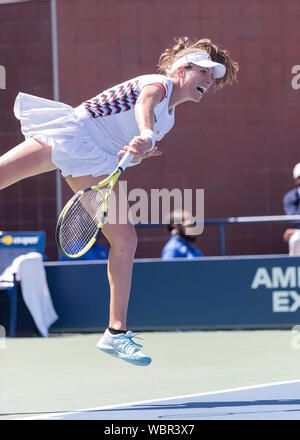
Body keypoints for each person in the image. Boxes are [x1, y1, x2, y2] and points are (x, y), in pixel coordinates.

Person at [0, 36, 238, 366]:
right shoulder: (160, 84)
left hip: (95, 160)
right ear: (182, 70)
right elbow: (144, 104)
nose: (209, 81)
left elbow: (130, 147)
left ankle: (115, 333)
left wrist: (138, 152)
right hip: (73, 133)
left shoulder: (168, 120)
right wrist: (144, 134)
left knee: (125, 240)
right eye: (204, 73)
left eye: (212, 77)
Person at [283, 162, 300, 255]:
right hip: (299, 232)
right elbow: (294, 219)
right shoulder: (290, 197)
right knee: (296, 240)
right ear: (296, 180)